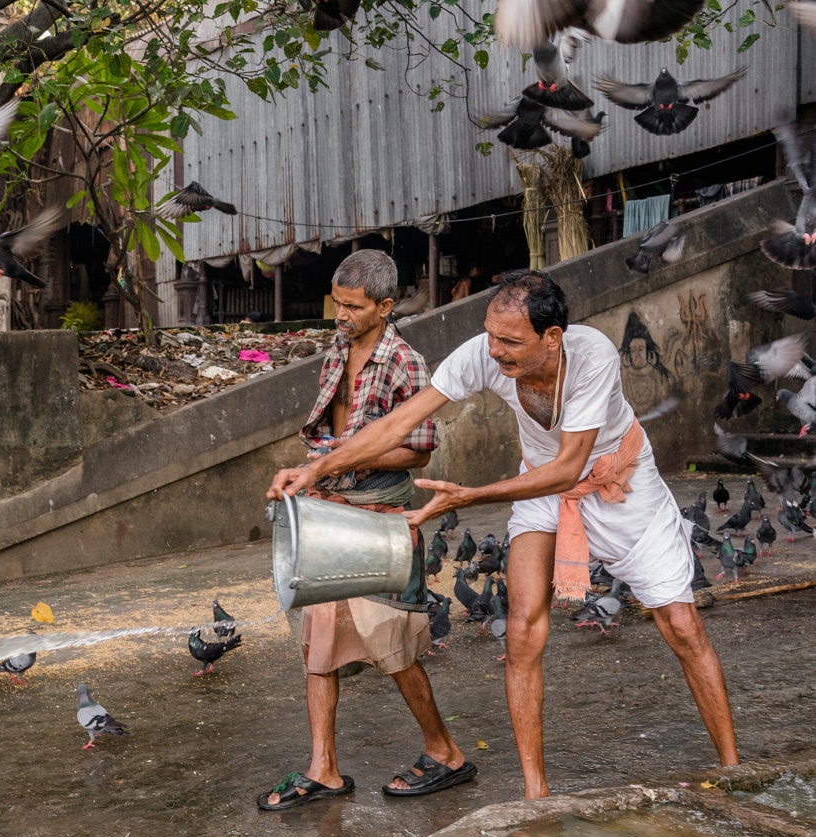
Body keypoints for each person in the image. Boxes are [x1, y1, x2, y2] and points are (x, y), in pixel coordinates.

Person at [269, 270, 739, 799]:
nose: (495, 351)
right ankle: (536, 796)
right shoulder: (482, 353)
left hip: (619, 480)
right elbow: (401, 423)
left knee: (681, 624)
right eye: (491, 335)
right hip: (536, 486)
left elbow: (569, 469)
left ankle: (733, 769)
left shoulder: (594, 356)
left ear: (553, 337)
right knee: (520, 633)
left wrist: (468, 496)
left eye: (511, 341)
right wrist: (317, 469)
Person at [258, 250, 473, 812]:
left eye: (353, 307)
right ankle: (323, 768)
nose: (342, 315)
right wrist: (317, 467)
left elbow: (420, 452)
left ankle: (447, 752)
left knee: (393, 647)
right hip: (330, 514)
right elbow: (331, 434)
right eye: (338, 303)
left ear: (384, 306)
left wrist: (343, 463)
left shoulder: (406, 360)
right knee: (318, 648)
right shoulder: (337, 349)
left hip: (380, 522)